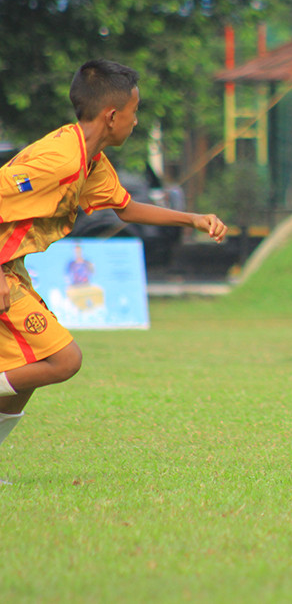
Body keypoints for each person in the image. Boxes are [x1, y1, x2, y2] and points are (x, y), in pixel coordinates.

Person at [0, 59, 228, 481]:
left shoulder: (90, 160)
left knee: (28, 370)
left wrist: (191, 218)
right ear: (111, 116)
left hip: (13, 269)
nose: (136, 121)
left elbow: (125, 207)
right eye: (134, 112)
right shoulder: (60, 159)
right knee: (63, 360)